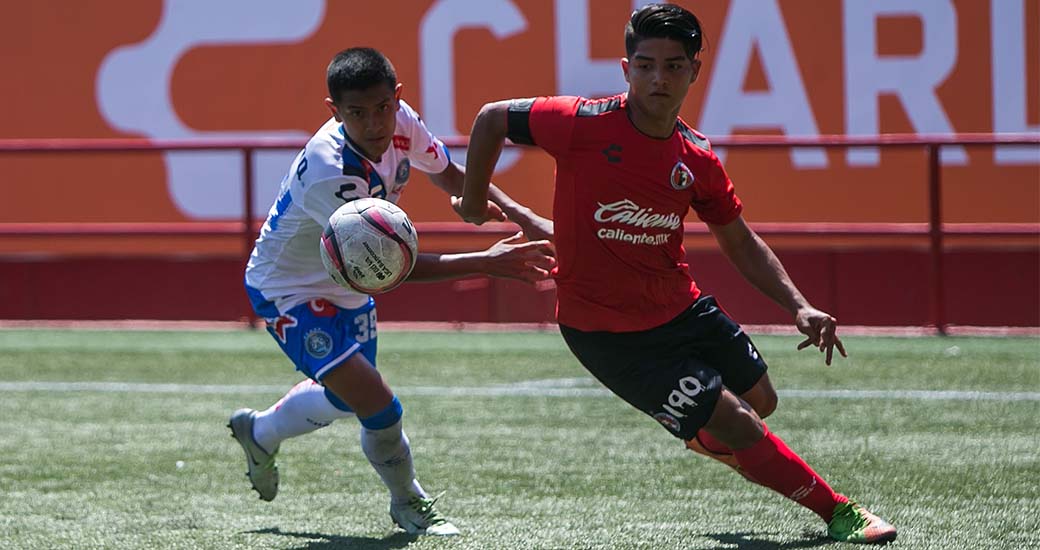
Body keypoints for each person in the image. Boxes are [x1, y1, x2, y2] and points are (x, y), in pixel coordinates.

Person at [456, 3, 897, 545]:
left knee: (762, 401)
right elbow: (491, 118)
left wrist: (798, 305)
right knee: (740, 423)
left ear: (694, 70)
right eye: (644, 65)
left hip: (680, 306)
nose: (657, 78)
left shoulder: (698, 158)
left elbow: (739, 239)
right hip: (608, 334)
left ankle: (708, 434)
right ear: (625, 69)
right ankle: (840, 513)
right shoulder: (581, 123)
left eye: (672, 65)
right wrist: (474, 199)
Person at [231, 46, 554, 536]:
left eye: (381, 107)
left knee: (345, 400)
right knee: (379, 403)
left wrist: (519, 213)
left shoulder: (402, 120)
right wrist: (489, 264)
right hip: (289, 288)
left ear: (397, 98)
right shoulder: (332, 173)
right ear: (333, 112)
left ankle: (260, 432)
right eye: (356, 113)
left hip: (348, 276)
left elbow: (450, 174)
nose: (374, 123)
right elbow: (387, 268)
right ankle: (408, 502)